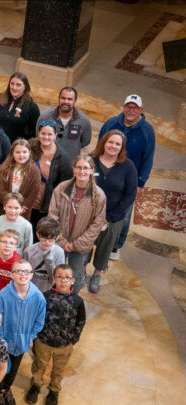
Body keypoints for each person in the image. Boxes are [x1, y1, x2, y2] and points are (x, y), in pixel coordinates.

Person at [98, 94, 155, 261]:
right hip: (106, 173)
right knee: (99, 206)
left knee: (123, 214)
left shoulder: (147, 130)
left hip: (130, 179)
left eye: (135, 108)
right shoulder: (111, 124)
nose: (131, 110)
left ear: (141, 110)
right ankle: (97, 237)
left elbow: (148, 157)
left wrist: (140, 183)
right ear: (123, 107)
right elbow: (99, 146)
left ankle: (115, 245)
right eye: (128, 107)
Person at [25, 264, 86, 405]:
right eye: (59, 277)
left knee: (58, 369)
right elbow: (36, 317)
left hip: (65, 344)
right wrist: (36, 337)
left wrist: (74, 338)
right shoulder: (44, 297)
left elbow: (80, 321)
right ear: (54, 279)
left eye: (67, 278)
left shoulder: (77, 301)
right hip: (44, 342)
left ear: (73, 281)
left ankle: (54, 390)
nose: (63, 281)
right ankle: (36, 385)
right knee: (39, 365)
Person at [86, 130, 137, 294]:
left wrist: (111, 217)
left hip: (113, 218)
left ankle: (97, 274)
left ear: (121, 148)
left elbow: (130, 195)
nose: (113, 146)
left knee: (105, 247)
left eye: (117, 144)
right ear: (104, 142)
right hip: (87, 214)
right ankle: (80, 270)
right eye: (111, 142)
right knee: (85, 243)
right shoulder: (90, 160)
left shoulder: (128, 166)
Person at [0, 259, 46, 405]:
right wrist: (1, 341)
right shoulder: (3, 295)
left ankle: (6, 389)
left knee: (14, 368)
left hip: (22, 343)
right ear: (12, 274)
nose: (23, 274)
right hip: (4, 342)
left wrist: (29, 337)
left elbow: (39, 322)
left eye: (27, 271)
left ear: (31, 274)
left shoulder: (38, 297)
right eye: (18, 271)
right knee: (1, 368)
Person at [48, 154, 106, 292]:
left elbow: (97, 224)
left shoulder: (99, 195)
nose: (82, 171)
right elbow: (52, 215)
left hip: (81, 246)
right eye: (79, 167)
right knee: (55, 273)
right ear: (73, 169)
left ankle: (73, 301)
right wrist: (61, 240)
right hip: (59, 241)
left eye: (86, 168)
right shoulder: (62, 188)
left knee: (77, 277)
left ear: (92, 170)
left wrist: (75, 244)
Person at [29, 122, 72, 230]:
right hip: (25, 202)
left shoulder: (62, 158)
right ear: (38, 133)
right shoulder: (30, 148)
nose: (46, 137)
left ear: (55, 135)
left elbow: (66, 186)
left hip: (43, 207)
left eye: (50, 134)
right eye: (43, 133)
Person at [36, 87, 92, 160]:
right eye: (63, 98)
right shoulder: (45, 117)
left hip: (70, 164)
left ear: (75, 101)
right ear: (59, 98)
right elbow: (38, 135)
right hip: (47, 161)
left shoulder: (84, 121)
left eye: (69, 99)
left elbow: (85, 141)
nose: (65, 101)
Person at [0, 139, 41, 220]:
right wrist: (10, 206)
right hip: (4, 208)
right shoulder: (4, 168)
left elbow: (33, 193)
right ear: (13, 153)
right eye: (18, 152)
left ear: (29, 152)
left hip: (22, 210)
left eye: (24, 152)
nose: (21, 155)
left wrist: (20, 208)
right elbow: (0, 190)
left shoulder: (34, 171)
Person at [0, 72, 39, 142]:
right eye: (12, 84)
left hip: (16, 147)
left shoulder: (32, 107)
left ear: (25, 87)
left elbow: (34, 132)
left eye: (18, 85)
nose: (14, 87)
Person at [23, 217, 65, 292]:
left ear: (58, 237)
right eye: (44, 238)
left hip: (48, 291)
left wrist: (50, 264)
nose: (47, 242)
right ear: (38, 234)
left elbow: (58, 279)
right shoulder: (29, 251)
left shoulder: (59, 252)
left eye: (51, 239)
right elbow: (23, 274)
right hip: (29, 289)